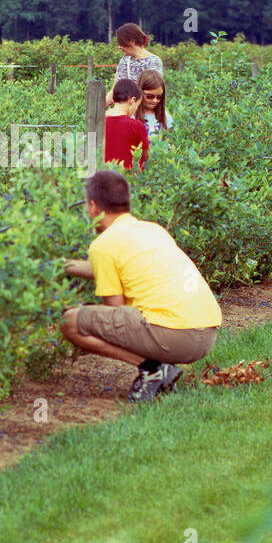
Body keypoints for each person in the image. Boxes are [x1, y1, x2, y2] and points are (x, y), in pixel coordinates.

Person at [61, 170, 222, 401]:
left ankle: (153, 369)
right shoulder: (152, 230)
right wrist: (62, 266)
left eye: (86, 206)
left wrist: (83, 311)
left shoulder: (103, 245)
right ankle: (159, 368)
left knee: (71, 322)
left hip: (174, 337)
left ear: (94, 207)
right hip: (205, 335)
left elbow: (115, 312)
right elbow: (121, 269)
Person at [106, 23, 163, 106]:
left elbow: (152, 93)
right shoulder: (124, 60)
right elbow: (114, 91)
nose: (119, 47)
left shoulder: (154, 62)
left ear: (132, 42)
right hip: (124, 113)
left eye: (121, 43)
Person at [105, 78, 150, 171]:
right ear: (132, 101)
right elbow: (147, 156)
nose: (135, 110)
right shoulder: (136, 126)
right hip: (129, 181)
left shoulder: (97, 121)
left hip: (103, 178)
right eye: (137, 105)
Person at [135, 70, 173, 140]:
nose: (155, 100)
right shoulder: (131, 116)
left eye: (159, 97)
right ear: (139, 92)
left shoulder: (166, 117)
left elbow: (168, 143)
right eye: (150, 96)